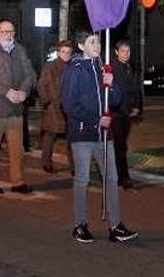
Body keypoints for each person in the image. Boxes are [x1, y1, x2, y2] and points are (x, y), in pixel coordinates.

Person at [61, 30, 137, 244]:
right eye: (92, 42)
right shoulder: (74, 70)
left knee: (112, 179)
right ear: (81, 46)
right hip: (83, 134)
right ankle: (80, 224)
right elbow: (68, 104)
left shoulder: (102, 67)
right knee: (83, 179)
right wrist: (96, 119)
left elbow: (114, 100)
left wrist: (111, 83)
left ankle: (115, 225)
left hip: (104, 134)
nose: (97, 45)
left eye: (99, 42)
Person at [0, 20, 36, 195]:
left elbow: (30, 74)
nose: (8, 35)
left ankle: (17, 182)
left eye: (10, 31)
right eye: (4, 32)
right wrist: (7, 92)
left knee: (17, 150)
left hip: (16, 109)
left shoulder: (20, 50)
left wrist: (24, 92)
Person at [38, 40, 74, 174]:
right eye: (63, 52)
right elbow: (42, 84)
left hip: (70, 107)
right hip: (54, 106)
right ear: (58, 52)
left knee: (72, 138)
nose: (66, 55)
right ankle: (47, 163)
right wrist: (47, 101)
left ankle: (74, 167)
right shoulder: (50, 66)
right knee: (50, 135)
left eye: (68, 52)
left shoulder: (74, 66)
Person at [111, 40, 141, 189]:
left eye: (128, 51)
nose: (126, 54)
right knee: (119, 145)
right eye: (122, 51)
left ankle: (119, 175)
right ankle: (123, 177)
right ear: (116, 52)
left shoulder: (130, 67)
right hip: (115, 112)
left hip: (127, 112)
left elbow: (135, 87)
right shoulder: (111, 68)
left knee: (122, 145)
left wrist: (136, 105)